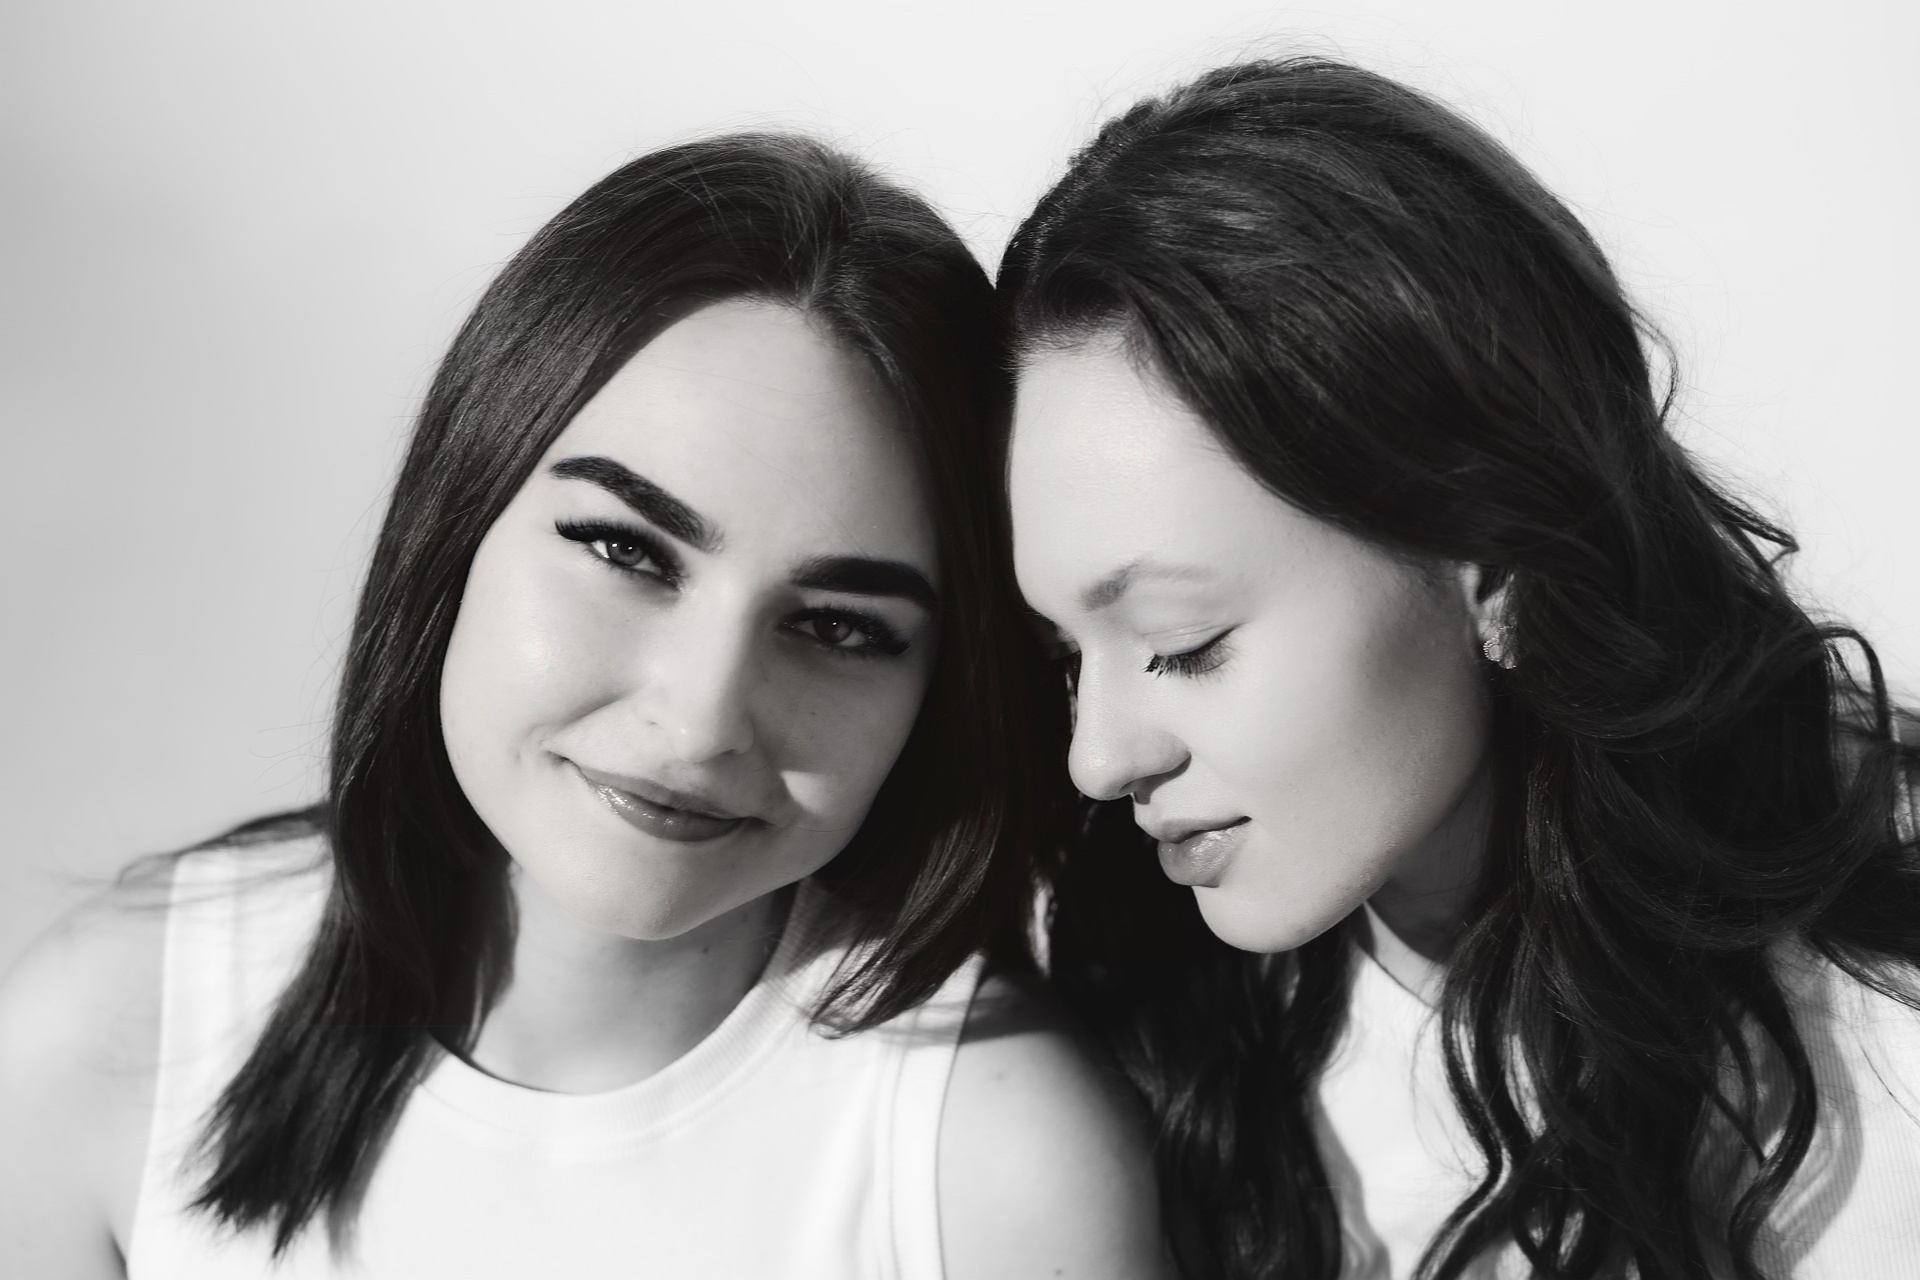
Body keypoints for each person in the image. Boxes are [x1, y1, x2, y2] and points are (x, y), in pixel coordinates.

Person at [0, 133, 1167, 1279]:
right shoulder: (108, 1038)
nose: (701, 718)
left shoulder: (996, 1175)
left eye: (838, 627)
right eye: (626, 549)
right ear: (457, 519)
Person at [1003, 57, 1920, 1280]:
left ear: (1491, 564)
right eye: (1068, 656)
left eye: (1184, 640)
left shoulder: (1879, 1046)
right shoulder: (1146, 1035)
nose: (1100, 755)